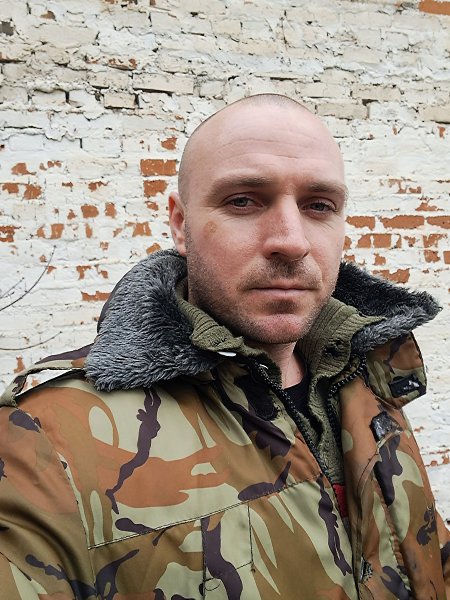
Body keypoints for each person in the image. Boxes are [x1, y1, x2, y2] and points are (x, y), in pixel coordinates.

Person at [0, 94, 448, 600]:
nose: (292, 241)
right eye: (243, 201)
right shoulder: (47, 441)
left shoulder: (366, 374)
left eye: (318, 205)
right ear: (180, 224)